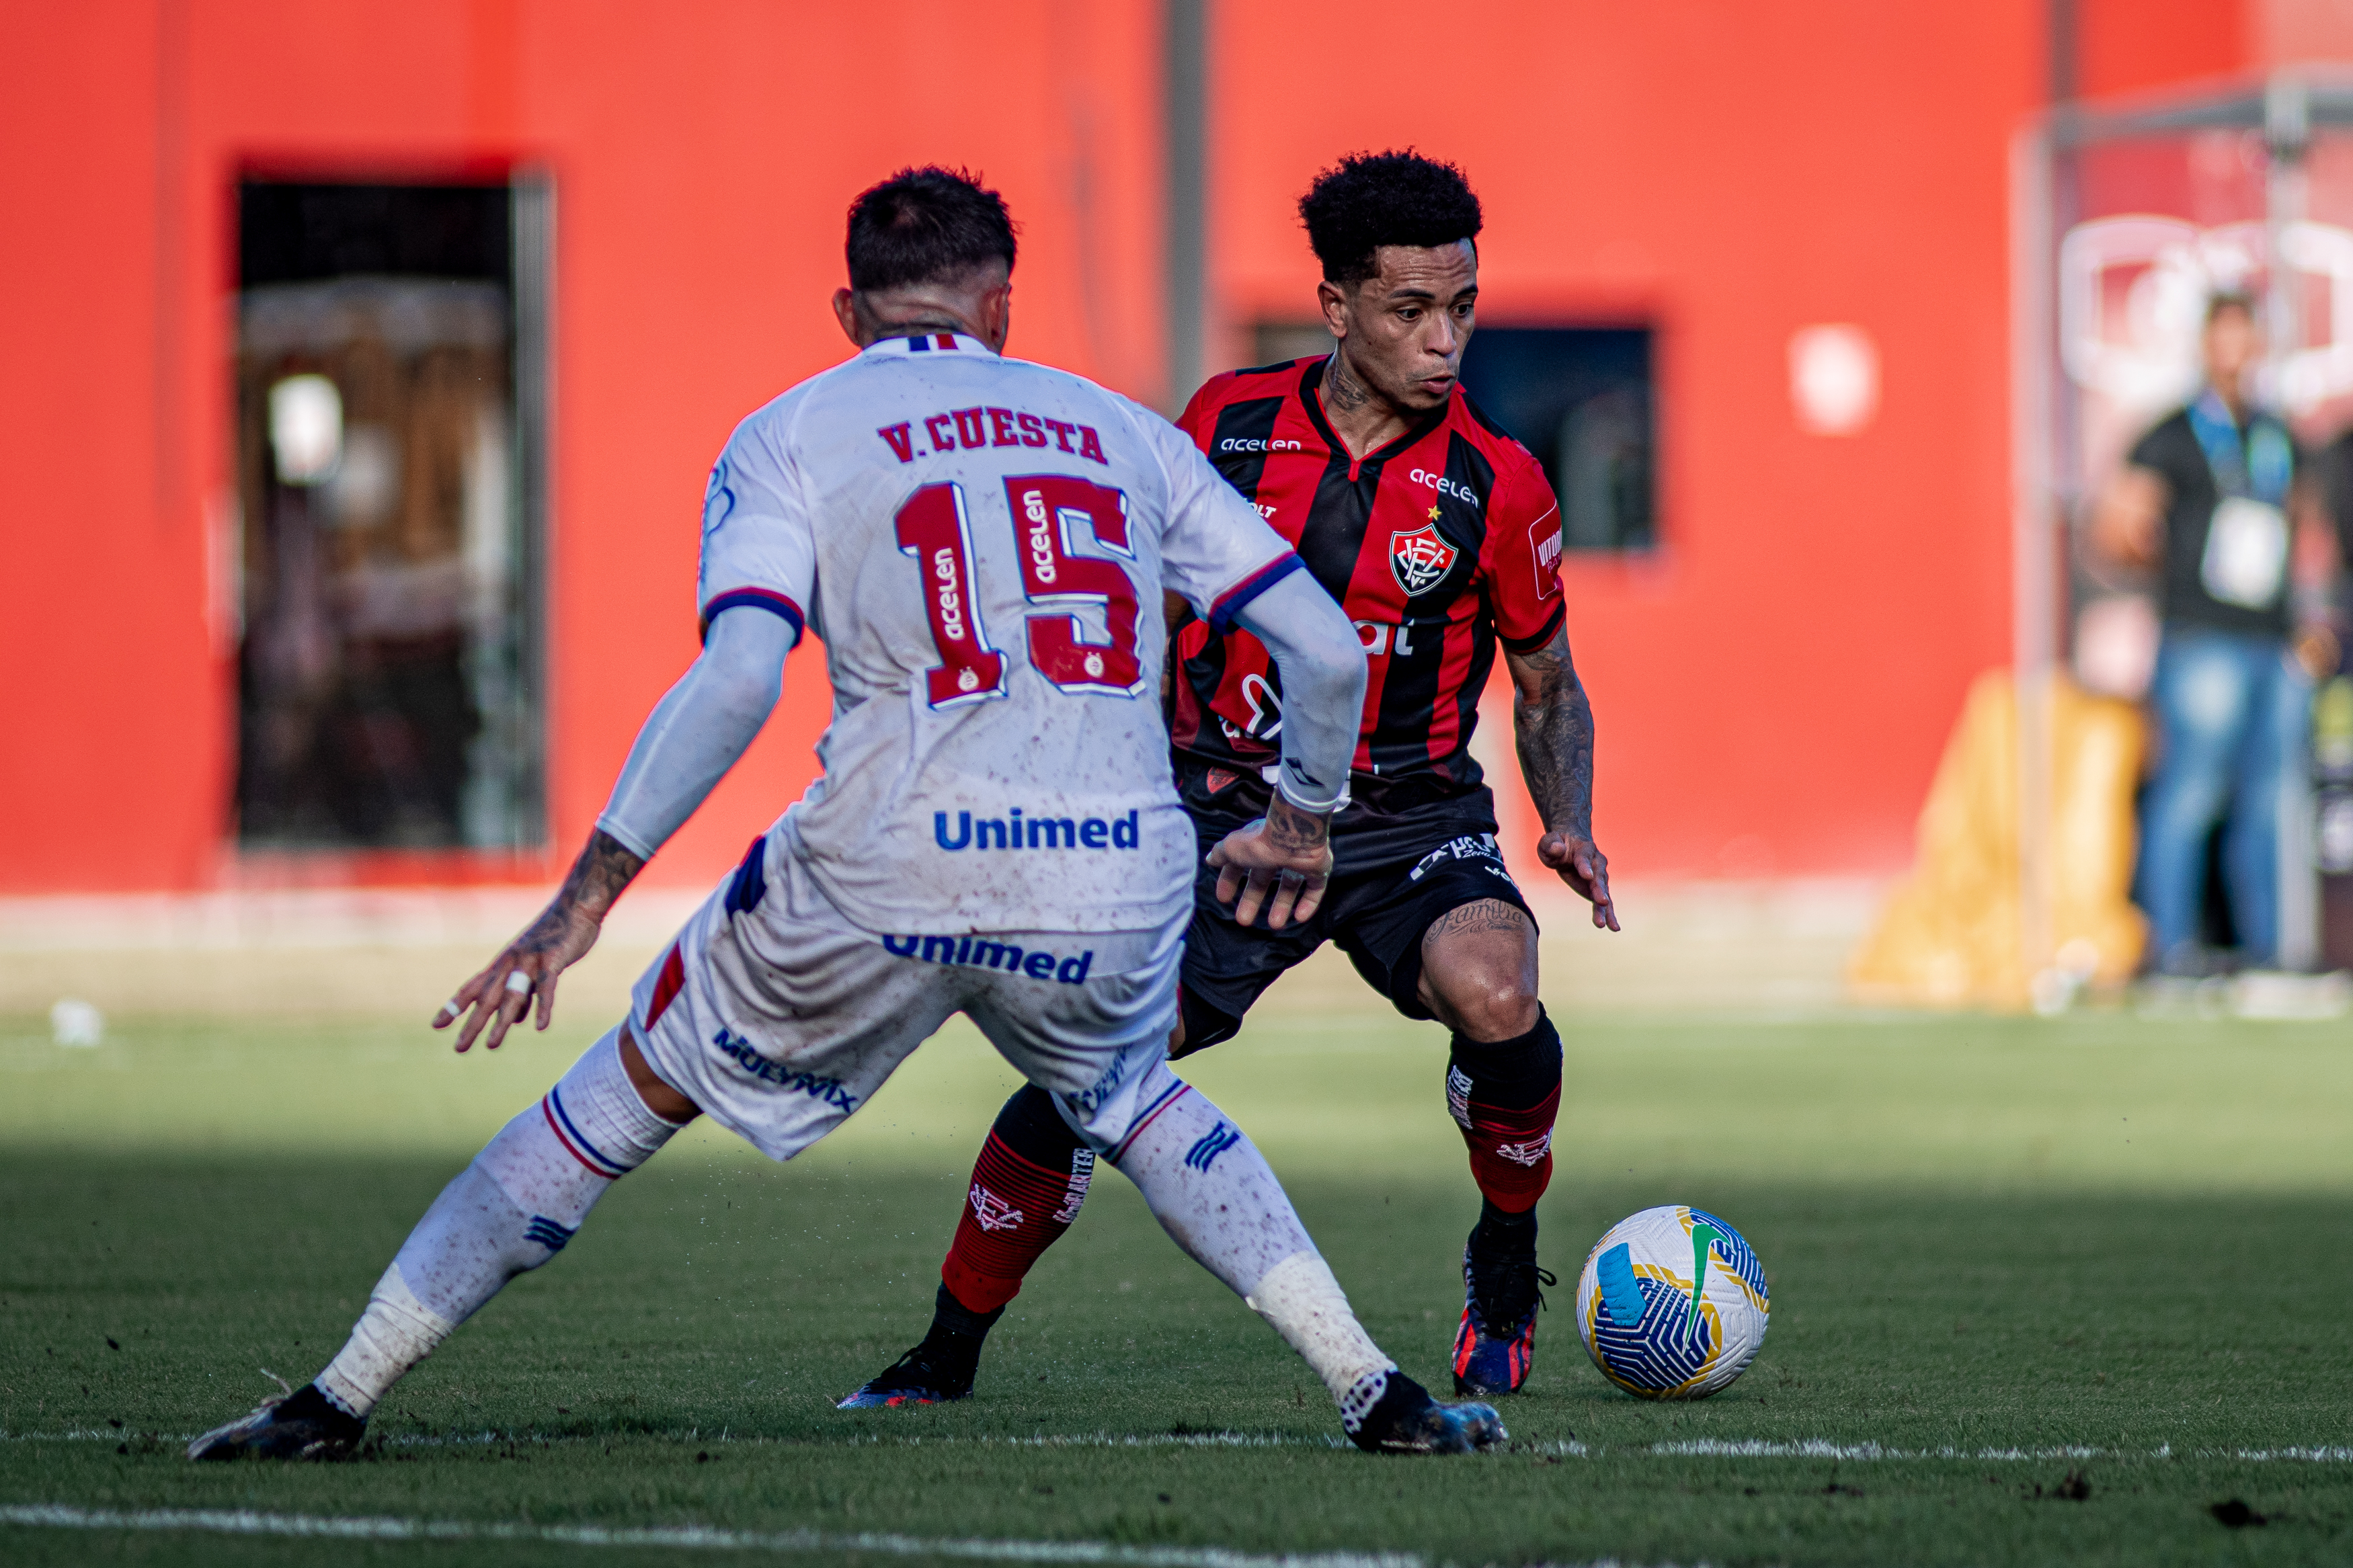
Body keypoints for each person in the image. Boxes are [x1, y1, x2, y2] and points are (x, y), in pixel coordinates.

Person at [187, 166, 1504, 1461]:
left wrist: (582, 897)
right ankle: (1373, 1390)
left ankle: (337, 1396)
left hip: (886, 856)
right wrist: (1299, 821)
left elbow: (740, 674)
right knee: (1138, 1102)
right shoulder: (1121, 430)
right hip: (1112, 853)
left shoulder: (791, 431)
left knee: (619, 1096)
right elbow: (1326, 655)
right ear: (1000, 305)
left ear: (848, 312)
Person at [842, 151, 1616, 1412]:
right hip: (1229, 821)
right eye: (1411, 310)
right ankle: (946, 1350)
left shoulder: (1500, 481)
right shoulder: (1223, 425)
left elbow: (1546, 680)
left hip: (1408, 816)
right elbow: (1133, 616)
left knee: (1497, 985)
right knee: (1089, 1068)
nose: (1445, 340)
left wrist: (1566, 819)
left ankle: (1505, 1258)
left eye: (1463, 307)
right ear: (1335, 305)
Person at [2093, 292, 2326, 974]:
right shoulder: (2168, 434)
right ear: (2201, 344)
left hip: (2271, 639)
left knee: (2273, 796)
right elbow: (2117, 526)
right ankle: (2172, 945)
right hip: (2201, 635)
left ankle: (2271, 948)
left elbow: (2304, 531)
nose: (2233, 351)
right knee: (2190, 790)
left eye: (2243, 337)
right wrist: (2141, 543)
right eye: (2221, 337)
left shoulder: (2275, 434)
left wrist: (2310, 620)